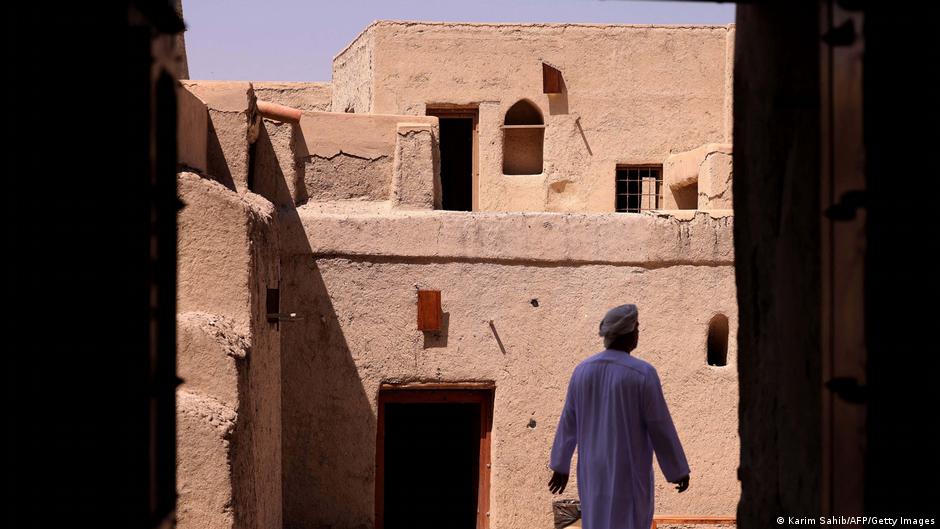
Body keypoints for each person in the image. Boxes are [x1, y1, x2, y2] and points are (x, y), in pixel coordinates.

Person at [548, 304, 690, 529]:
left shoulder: (582, 371)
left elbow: (568, 421)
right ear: (629, 332)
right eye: (637, 328)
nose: (638, 334)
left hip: (592, 472)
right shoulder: (642, 373)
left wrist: (560, 465)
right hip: (628, 472)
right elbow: (659, 425)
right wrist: (677, 470)